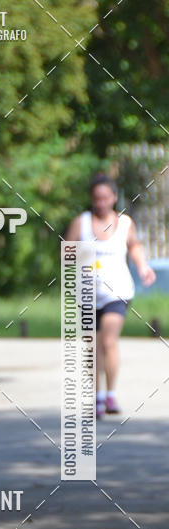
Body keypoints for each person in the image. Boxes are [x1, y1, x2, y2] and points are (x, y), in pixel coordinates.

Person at [65, 174, 156, 418]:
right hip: (86, 293)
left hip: (118, 291)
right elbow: (67, 253)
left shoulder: (125, 223)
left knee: (108, 341)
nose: (102, 202)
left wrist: (143, 266)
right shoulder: (81, 222)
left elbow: (134, 246)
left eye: (106, 197)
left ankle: (111, 393)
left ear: (114, 197)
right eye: (97, 198)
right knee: (92, 348)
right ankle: (97, 396)